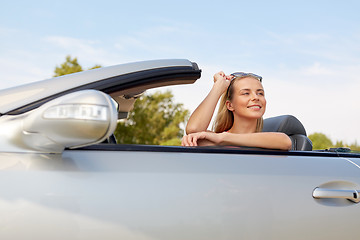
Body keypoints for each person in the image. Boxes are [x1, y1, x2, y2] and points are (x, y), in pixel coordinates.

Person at [181, 71, 292, 150]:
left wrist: (224, 138)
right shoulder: (216, 140)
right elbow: (194, 130)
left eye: (260, 93)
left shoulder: (270, 141)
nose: (255, 97)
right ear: (230, 105)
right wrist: (218, 88)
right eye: (246, 93)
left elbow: (285, 142)